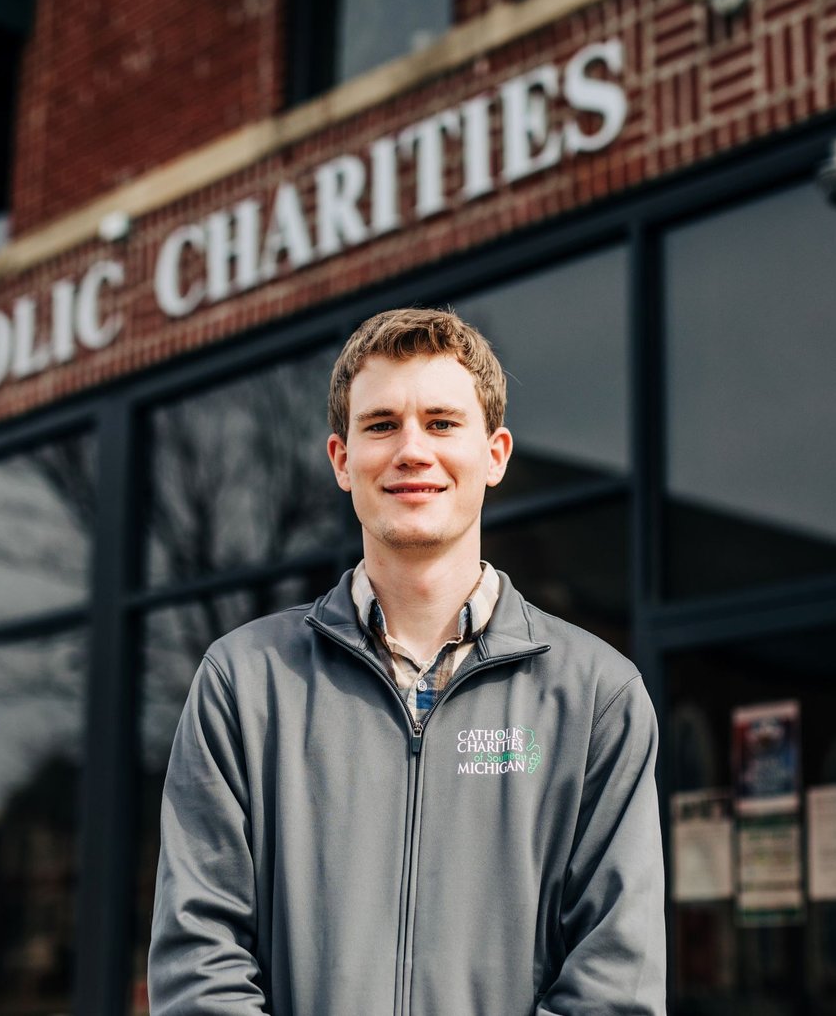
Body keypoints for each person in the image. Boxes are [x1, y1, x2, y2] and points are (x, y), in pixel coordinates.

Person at [149, 307, 666, 1015]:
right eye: (382, 424)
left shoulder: (597, 697)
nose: (412, 450)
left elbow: (615, 985)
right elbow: (198, 961)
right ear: (341, 459)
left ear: (495, 453)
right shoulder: (243, 685)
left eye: (443, 422)